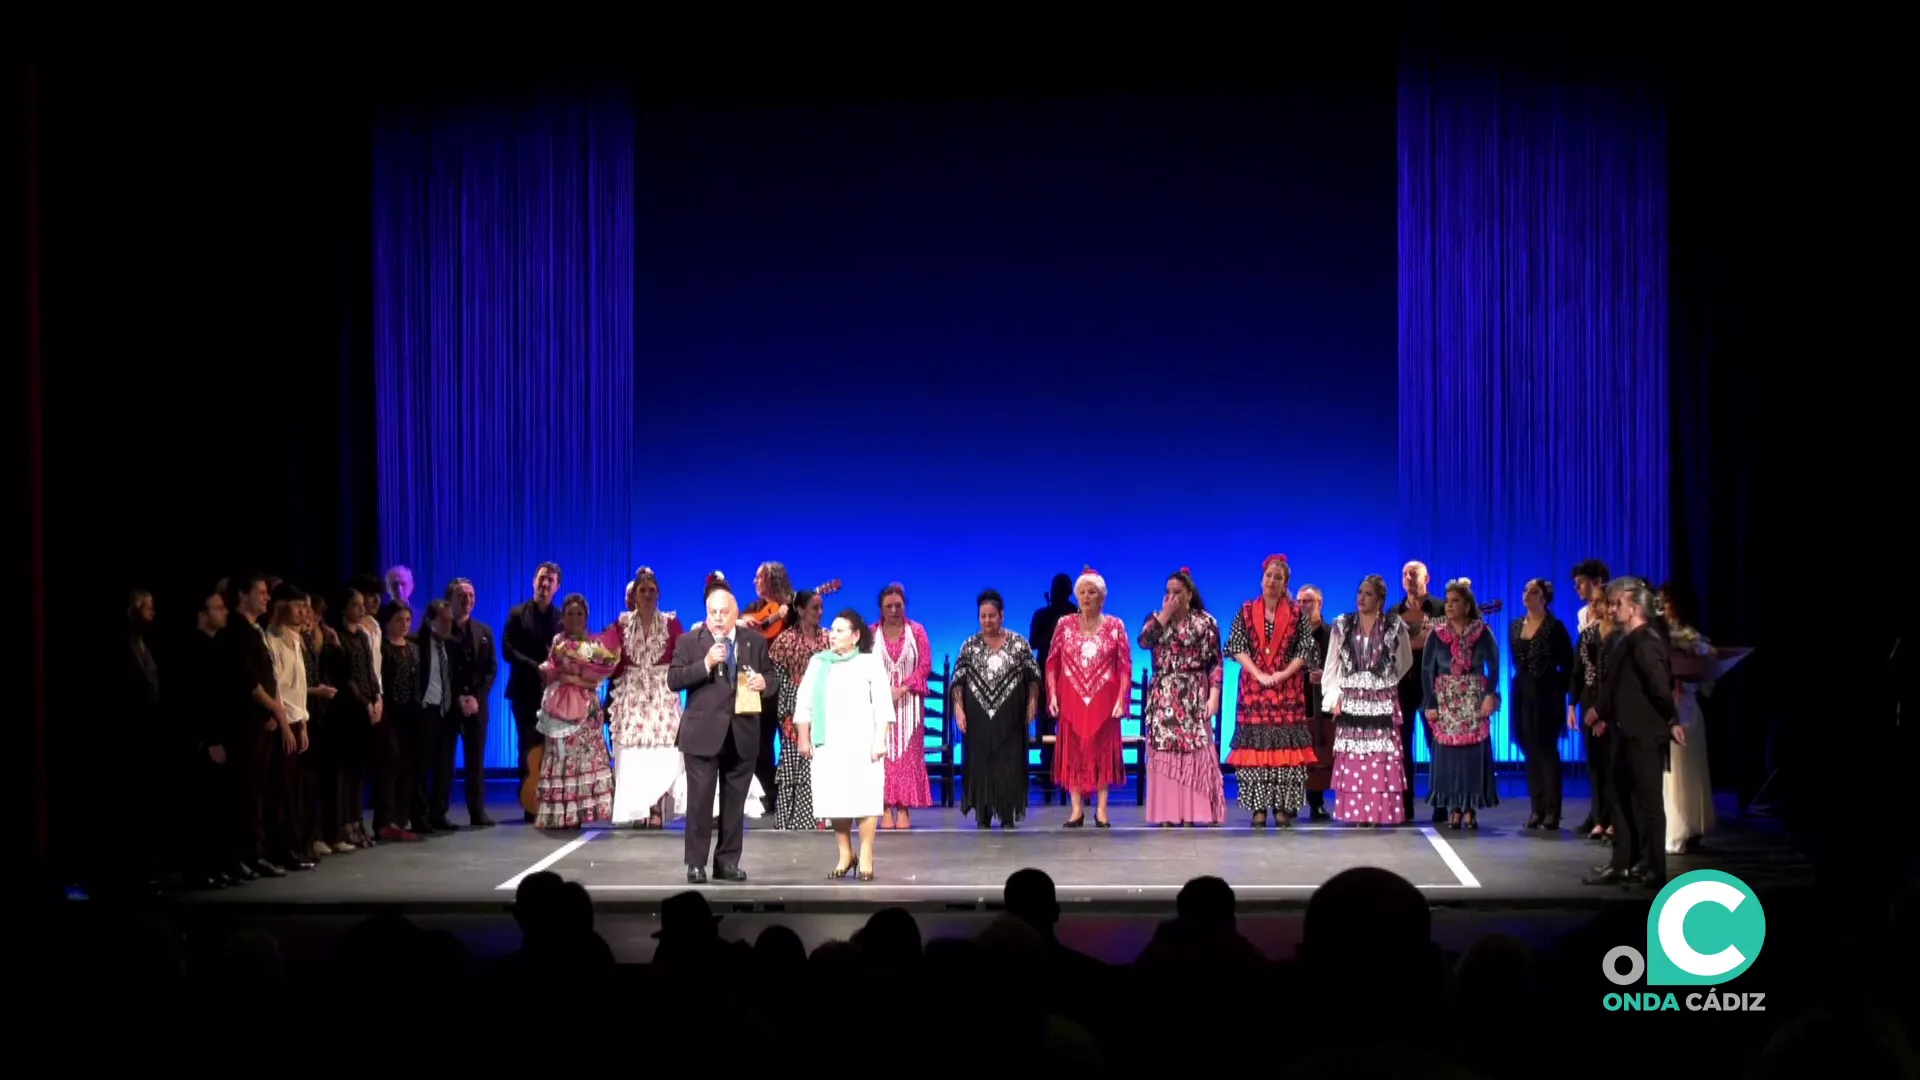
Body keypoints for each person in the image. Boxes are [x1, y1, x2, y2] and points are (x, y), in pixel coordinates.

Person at [667, 588, 779, 884]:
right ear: (707, 614)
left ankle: (727, 863)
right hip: (703, 735)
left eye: (723, 612)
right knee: (700, 803)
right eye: (712, 613)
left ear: (735, 612)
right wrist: (705, 664)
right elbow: (673, 679)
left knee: (734, 806)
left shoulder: (754, 641)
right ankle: (695, 864)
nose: (718, 618)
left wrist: (762, 682)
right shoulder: (690, 641)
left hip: (742, 733)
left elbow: (773, 678)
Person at [1583, 577, 1682, 887]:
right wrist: (1602, 712)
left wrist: (1672, 719)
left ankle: (1655, 869)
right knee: (1619, 798)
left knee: (1649, 803)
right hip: (1624, 732)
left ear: (1635, 607)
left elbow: (1659, 688)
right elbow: (1617, 685)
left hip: (1644, 734)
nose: (1612, 609)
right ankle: (1623, 862)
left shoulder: (1647, 640)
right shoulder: (1625, 640)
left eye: (1617, 604)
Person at [792, 609, 894, 880]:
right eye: (832, 630)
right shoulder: (819, 663)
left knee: (865, 797)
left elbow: (883, 703)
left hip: (862, 740)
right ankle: (845, 853)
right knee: (835, 798)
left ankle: (867, 854)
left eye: (839, 630)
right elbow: (804, 702)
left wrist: (880, 739)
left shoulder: (869, 662)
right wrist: (804, 736)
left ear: (856, 636)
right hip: (829, 742)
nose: (832, 635)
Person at [1225, 556, 1313, 826]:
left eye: (1278, 577)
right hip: (1254, 691)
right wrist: (1259, 674)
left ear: (1285, 582)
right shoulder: (1247, 609)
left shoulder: (1297, 613)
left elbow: (1305, 649)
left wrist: (1282, 674)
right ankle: (1258, 808)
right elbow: (1236, 646)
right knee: (1256, 750)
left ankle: (1282, 808)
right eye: (1268, 576)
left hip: (1287, 690)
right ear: (1261, 578)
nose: (1271, 581)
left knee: (1284, 750)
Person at [1322, 575, 1414, 827]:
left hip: (1381, 699)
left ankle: (1376, 812)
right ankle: (1357, 813)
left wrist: (1384, 680)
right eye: (1360, 592)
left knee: (1378, 757)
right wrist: (1333, 698)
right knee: (1354, 757)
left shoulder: (1394, 625)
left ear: (1380, 599)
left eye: (1368, 594)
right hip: (1352, 698)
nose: (1361, 598)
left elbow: (1405, 660)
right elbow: (1332, 664)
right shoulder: (1343, 624)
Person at [1138, 568, 1227, 826]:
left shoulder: (1206, 622)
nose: (1171, 597)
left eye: (1177, 593)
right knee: (1165, 754)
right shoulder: (1155, 619)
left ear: (1189, 594)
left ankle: (1192, 813)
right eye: (1167, 593)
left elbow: (1215, 663)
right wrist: (1164, 615)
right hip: (1163, 695)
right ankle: (1166, 814)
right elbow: (1144, 642)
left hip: (1193, 693)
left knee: (1194, 752)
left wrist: (1214, 695)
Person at [1046, 567, 1132, 828]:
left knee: (1102, 754)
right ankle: (1076, 810)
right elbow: (1052, 662)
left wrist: (1121, 699)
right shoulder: (1064, 625)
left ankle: (1102, 810)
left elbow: (1125, 665)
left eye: (1091, 592)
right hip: (1072, 699)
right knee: (1073, 754)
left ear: (1102, 597)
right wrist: (1052, 695)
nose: (1086, 597)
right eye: (1082, 592)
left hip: (1104, 702)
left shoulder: (1116, 626)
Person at [952, 589, 1040, 828]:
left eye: (992, 615)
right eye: (983, 616)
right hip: (978, 719)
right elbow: (958, 681)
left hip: (1010, 719)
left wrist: (1032, 703)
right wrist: (959, 710)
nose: (987, 621)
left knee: (1009, 764)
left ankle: (1007, 813)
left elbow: (1033, 677)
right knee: (980, 763)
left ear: (1002, 615)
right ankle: (983, 813)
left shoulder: (1019, 644)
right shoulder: (969, 646)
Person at [605, 567, 685, 828]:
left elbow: (683, 656)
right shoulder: (622, 624)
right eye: (643, 590)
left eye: (652, 590)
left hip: (662, 692)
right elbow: (612, 663)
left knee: (663, 750)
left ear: (659, 593)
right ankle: (638, 808)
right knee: (634, 752)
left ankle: (656, 806)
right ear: (634, 595)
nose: (647, 594)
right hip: (633, 693)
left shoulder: (671, 623)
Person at [534, 594, 620, 830]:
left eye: (579, 614)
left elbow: (596, 682)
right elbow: (552, 670)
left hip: (586, 709)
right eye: (570, 613)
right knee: (561, 756)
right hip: (560, 706)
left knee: (584, 758)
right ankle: (561, 813)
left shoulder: (595, 645)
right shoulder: (557, 642)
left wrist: (574, 678)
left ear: (586, 618)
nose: (574, 618)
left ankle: (582, 811)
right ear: (563, 617)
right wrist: (550, 672)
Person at [1421, 578, 1500, 828]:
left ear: (1467, 606)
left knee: (1471, 756)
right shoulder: (1437, 634)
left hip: (1473, 698)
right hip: (1446, 700)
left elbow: (1495, 665)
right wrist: (1429, 702)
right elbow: (1426, 669)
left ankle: (1470, 807)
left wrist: (1489, 694)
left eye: (1455, 601)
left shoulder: (1482, 632)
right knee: (1449, 757)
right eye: (1447, 602)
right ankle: (1454, 806)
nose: (1449, 606)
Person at [1510, 578, 1574, 829]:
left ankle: (1552, 811)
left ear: (1544, 598)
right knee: (1529, 750)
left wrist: (1559, 688)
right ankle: (1536, 809)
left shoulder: (1554, 626)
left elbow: (1568, 663)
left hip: (1547, 694)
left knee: (1546, 751)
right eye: (1525, 590)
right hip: (1523, 693)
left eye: (1533, 591)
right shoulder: (1515, 626)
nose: (1527, 594)